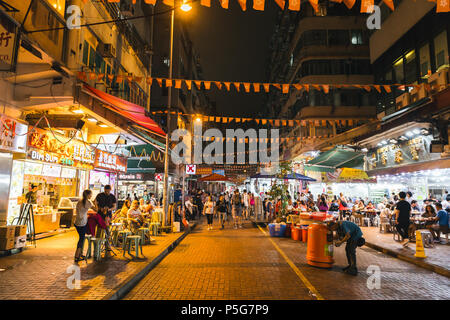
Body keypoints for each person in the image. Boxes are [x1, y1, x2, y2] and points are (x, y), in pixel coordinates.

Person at [74, 190, 97, 262]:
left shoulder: (80, 201)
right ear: (88, 195)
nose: (91, 196)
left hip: (77, 222)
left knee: (81, 238)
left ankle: (80, 254)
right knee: (81, 239)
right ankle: (77, 256)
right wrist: (96, 203)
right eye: (91, 194)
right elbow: (96, 209)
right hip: (82, 223)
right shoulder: (88, 202)